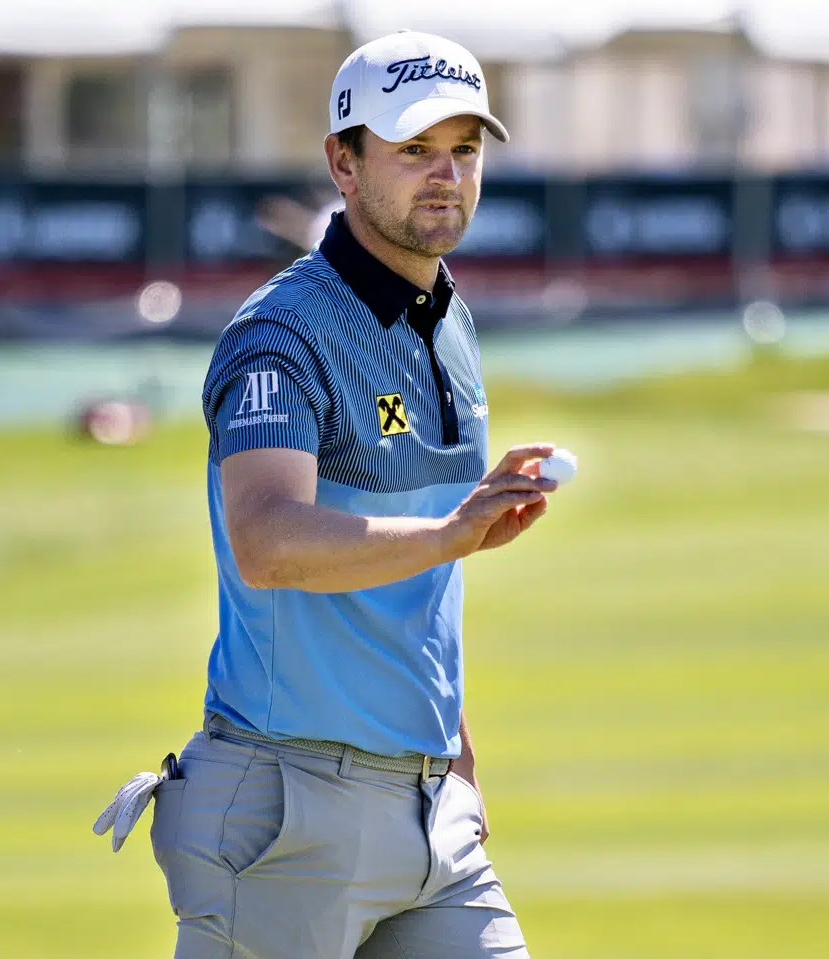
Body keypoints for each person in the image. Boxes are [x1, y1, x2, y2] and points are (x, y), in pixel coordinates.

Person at [96, 30, 556, 958]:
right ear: (343, 163)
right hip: (285, 814)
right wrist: (453, 532)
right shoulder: (282, 333)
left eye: (465, 149)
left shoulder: (450, 321)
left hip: (429, 817)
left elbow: (418, 584)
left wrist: (457, 757)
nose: (447, 175)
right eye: (414, 148)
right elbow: (268, 541)